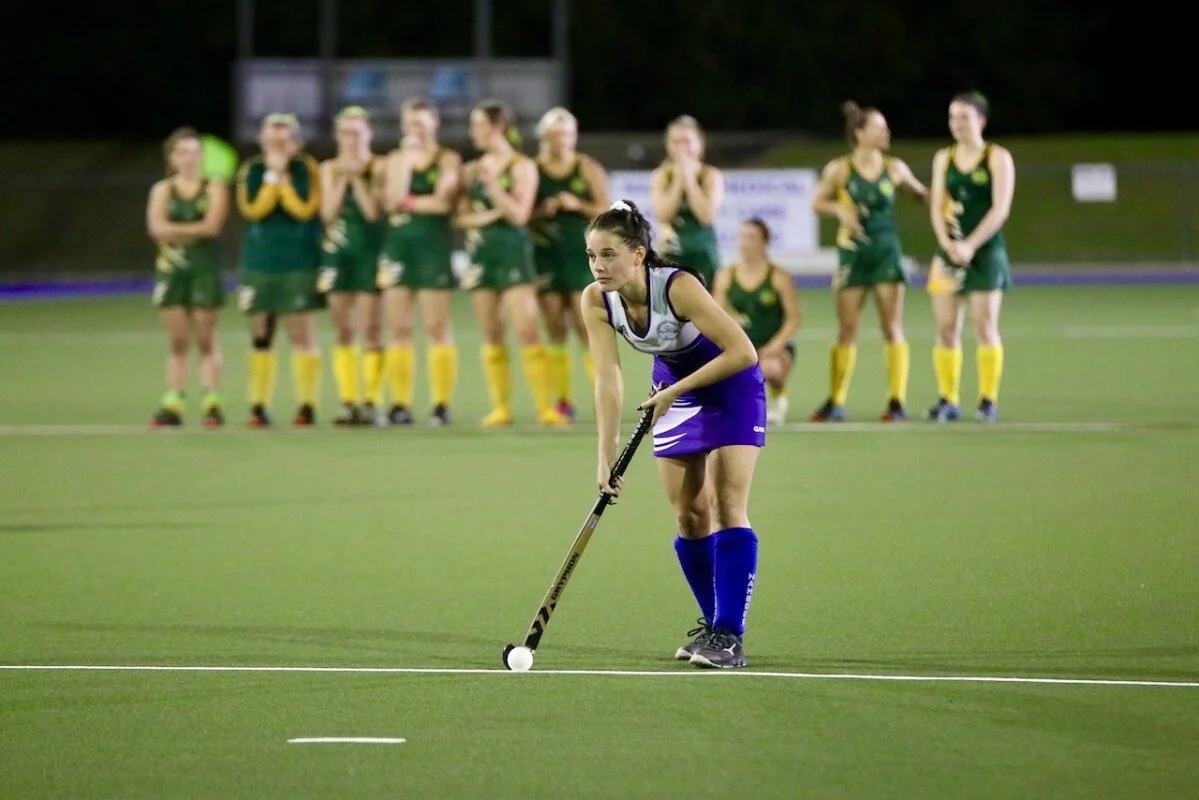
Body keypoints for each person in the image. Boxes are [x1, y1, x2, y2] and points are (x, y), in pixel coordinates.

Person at [581, 199, 763, 669]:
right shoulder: (595, 300)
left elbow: (743, 352)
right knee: (688, 516)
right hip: (674, 392)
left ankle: (730, 636)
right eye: (592, 256)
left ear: (639, 254)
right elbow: (608, 378)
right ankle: (713, 625)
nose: (599, 266)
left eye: (609, 254)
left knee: (726, 507)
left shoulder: (678, 287)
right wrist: (605, 452)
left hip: (730, 387)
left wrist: (671, 392)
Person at [809, 101, 928, 423]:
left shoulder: (895, 167)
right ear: (860, 133)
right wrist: (840, 210)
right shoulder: (841, 169)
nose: (886, 132)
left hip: (886, 251)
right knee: (847, 330)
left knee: (892, 327)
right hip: (854, 253)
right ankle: (836, 401)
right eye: (878, 127)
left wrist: (940, 198)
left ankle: (897, 402)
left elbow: (920, 193)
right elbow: (817, 202)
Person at [454, 99, 568, 427]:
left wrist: (492, 189)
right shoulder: (471, 169)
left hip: (514, 254)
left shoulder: (521, 166)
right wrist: (490, 214)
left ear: (497, 127)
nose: (473, 131)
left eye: (478, 125)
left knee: (527, 329)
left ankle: (545, 408)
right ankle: (501, 408)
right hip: (481, 256)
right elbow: (459, 218)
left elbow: (519, 215)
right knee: (491, 332)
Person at [926, 92, 1015, 423]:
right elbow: (937, 206)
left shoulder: (997, 157)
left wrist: (971, 245)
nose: (957, 124)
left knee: (984, 325)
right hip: (949, 251)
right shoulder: (943, 158)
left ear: (981, 121)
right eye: (952, 117)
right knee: (946, 328)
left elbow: (1000, 209)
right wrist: (947, 243)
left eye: (964, 117)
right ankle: (948, 399)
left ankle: (987, 399)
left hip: (986, 251)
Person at [377, 97, 462, 427]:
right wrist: (407, 165)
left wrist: (408, 202)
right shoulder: (395, 159)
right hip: (398, 248)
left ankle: (441, 404)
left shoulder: (447, 158)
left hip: (432, 249)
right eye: (410, 122)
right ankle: (400, 404)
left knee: (437, 327)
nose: (416, 128)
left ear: (434, 123)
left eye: (421, 122)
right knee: (398, 328)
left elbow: (442, 203)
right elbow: (389, 200)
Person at [235, 112, 323, 427]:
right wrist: (271, 179)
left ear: (296, 143)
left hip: (298, 260)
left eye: (283, 141)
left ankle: (307, 405)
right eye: (271, 141)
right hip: (260, 262)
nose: (276, 147)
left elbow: (304, 209)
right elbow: (253, 209)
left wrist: (282, 180)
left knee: (301, 332)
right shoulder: (252, 170)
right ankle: (258, 406)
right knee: (261, 332)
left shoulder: (307, 169)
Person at [145, 126, 230, 428]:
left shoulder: (214, 187)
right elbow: (156, 229)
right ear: (171, 157)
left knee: (206, 340)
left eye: (195, 152)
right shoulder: (162, 190)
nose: (189, 158)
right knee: (178, 342)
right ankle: (173, 402)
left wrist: (175, 232)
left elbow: (211, 227)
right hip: (172, 270)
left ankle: (212, 403)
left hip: (203, 268)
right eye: (182, 152)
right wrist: (191, 231)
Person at [530, 106, 611, 421]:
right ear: (545, 137)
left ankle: (602, 393)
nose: (561, 140)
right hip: (546, 255)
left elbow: (604, 207)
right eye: (555, 134)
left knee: (586, 326)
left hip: (582, 256)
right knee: (554, 326)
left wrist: (577, 205)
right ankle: (562, 399)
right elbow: (524, 212)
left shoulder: (586, 167)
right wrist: (543, 210)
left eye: (566, 134)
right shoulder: (534, 168)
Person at [318, 106, 386, 426]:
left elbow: (373, 212)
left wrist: (357, 179)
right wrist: (342, 179)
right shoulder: (329, 169)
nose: (351, 140)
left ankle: (372, 400)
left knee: (371, 328)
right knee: (344, 328)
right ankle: (348, 401)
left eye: (357, 133)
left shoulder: (379, 166)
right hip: (338, 254)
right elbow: (328, 214)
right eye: (345, 133)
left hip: (370, 252)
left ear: (368, 135)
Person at [712, 218, 801, 425]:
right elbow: (715, 315)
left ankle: (779, 398)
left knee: (770, 368)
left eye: (752, 238)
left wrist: (773, 346)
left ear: (764, 242)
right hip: (741, 345)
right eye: (742, 237)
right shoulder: (726, 275)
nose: (745, 243)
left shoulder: (779, 277)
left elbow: (794, 320)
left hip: (773, 345)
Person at [650, 115, 725, 289]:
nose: (681, 148)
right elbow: (663, 215)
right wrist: (678, 180)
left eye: (687, 141)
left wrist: (690, 180)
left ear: (699, 144)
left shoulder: (710, 175)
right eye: (675, 142)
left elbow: (706, 216)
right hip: (672, 253)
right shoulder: (662, 176)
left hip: (704, 255)